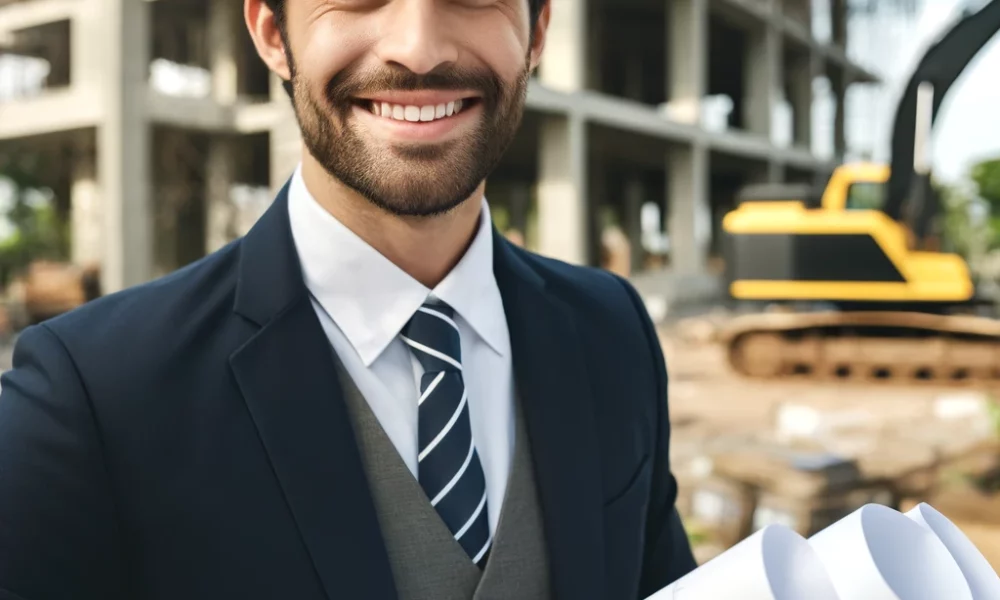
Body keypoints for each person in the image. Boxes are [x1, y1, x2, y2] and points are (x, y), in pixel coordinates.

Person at [0, 0, 697, 598]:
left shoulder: (613, 331)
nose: (418, 49)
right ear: (274, 34)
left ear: (537, 31)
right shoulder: (87, 398)